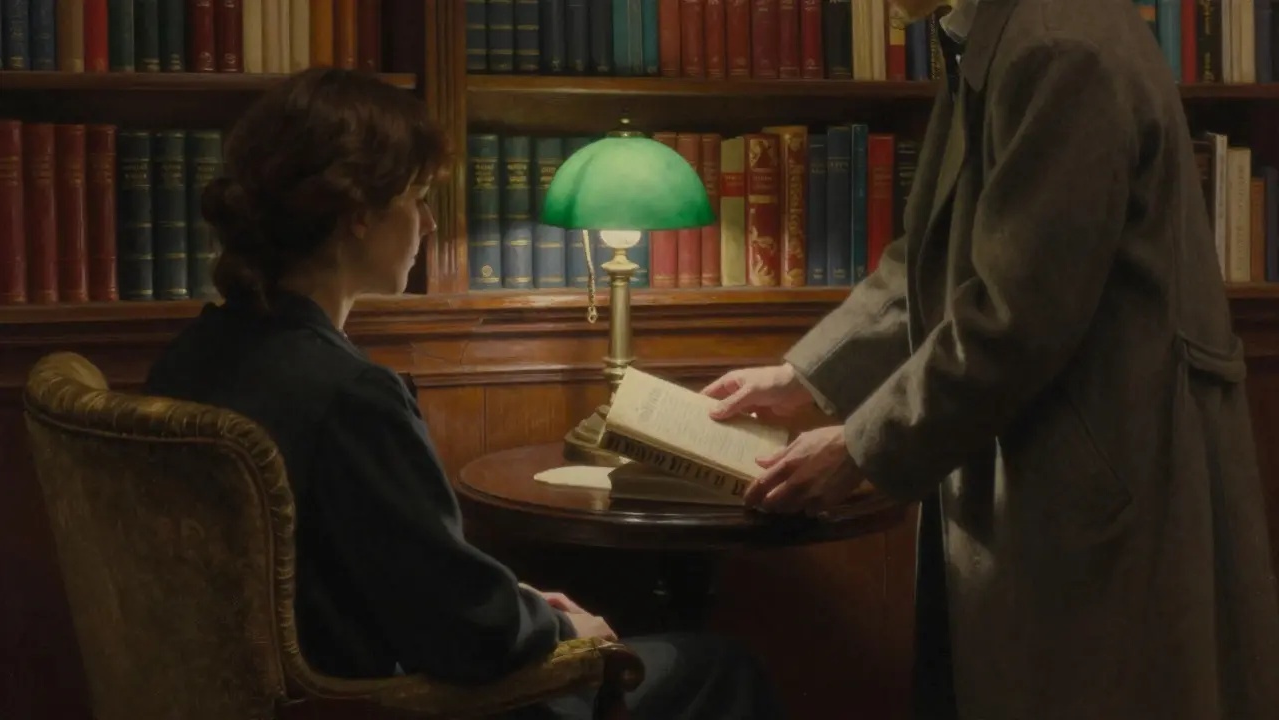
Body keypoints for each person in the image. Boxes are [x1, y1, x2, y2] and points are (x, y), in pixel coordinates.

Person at [143, 68, 781, 720]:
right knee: (720, 667)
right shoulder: (353, 398)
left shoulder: (191, 359)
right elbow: (465, 637)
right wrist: (565, 635)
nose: (427, 223)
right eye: (418, 197)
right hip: (381, 700)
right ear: (359, 212)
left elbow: (389, 575)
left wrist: (511, 598)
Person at [703, 0, 1279, 718]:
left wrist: (859, 446)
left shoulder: (1058, 44)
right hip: (1064, 462)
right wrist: (808, 375)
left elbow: (1014, 318)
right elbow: (935, 258)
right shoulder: (1001, 29)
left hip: (1101, 479)